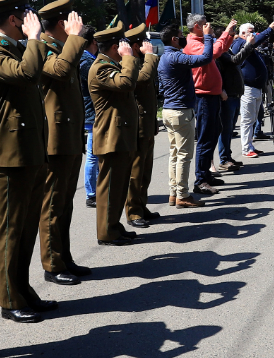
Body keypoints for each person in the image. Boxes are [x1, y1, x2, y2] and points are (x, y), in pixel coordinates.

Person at [0, 0, 56, 324]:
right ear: (14, 19)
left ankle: (22, 289)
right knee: (11, 229)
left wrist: (31, 41)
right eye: (27, 16)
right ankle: (9, 298)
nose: (32, 21)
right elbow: (26, 74)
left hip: (30, 149)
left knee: (25, 229)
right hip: (10, 155)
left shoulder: (14, 47)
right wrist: (36, 38)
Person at [36, 0, 90, 286]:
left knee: (65, 203)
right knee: (53, 205)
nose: (77, 26)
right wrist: (74, 39)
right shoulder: (42, 47)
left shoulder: (60, 46)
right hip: (54, 139)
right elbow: (60, 70)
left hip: (68, 135)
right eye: (71, 20)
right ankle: (52, 263)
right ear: (60, 23)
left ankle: (64, 256)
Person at [88, 20, 145, 244]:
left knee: (119, 186)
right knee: (109, 188)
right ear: (115, 48)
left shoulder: (111, 65)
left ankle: (114, 226)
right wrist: (129, 58)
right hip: (111, 136)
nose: (127, 51)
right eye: (123, 47)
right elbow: (126, 83)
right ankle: (106, 233)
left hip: (120, 135)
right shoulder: (101, 67)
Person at [158, 22, 217, 208]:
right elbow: (205, 58)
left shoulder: (164, 58)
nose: (183, 38)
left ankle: (174, 192)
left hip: (169, 110)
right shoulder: (176, 57)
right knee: (184, 155)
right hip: (180, 111)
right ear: (174, 39)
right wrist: (207, 36)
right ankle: (183, 195)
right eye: (181, 35)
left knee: (174, 153)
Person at [183, 14, 236, 195]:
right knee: (205, 139)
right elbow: (211, 53)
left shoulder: (202, 40)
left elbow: (219, 50)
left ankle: (206, 174)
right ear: (197, 26)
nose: (209, 26)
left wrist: (228, 34)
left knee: (213, 135)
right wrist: (221, 34)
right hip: (203, 97)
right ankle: (200, 180)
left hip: (211, 96)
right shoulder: (193, 44)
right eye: (206, 24)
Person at [124, 22, 161, 228]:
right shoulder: (130, 62)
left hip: (146, 122)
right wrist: (150, 56)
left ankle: (141, 204)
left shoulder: (139, 60)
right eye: (145, 42)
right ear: (137, 46)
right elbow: (144, 78)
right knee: (135, 172)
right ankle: (133, 211)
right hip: (137, 125)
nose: (148, 45)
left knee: (146, 171)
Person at [215, 21, 259, 170]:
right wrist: (248, 45)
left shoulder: (227, 50)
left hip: (234, 95)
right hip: (227, 97)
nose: (232, 38)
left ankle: (227, 156)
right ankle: (224, 159)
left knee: (230, 129)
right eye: (230, 35)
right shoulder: (221, 52)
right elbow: (236, 60)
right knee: (225, 129)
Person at [230, 19, 274, 159]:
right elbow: (255, 41)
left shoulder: (250, 46)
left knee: (253, 118)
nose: (254, 35)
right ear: (243, 33)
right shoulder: (240, 43)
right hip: (248, 88)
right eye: (251, 32)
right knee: (247, 119)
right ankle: (246, 148)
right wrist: (269, 30)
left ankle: (250, 145)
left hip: (256, 88)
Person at [78, 26, 99, 207]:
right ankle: (91, 193)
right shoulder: (86, 61)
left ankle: (95, 190)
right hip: (92, 113)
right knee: (93, 154)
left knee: (96, 154)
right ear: (94, 41)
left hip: (91, 112)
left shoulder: (87, 59)